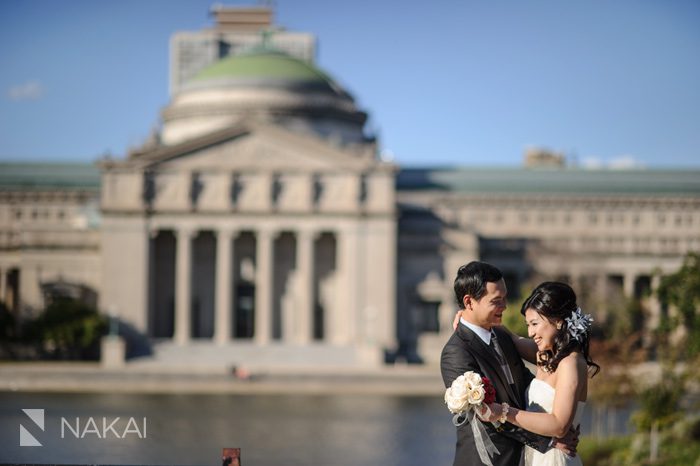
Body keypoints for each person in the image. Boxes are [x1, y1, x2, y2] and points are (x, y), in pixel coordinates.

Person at [441, 262, 577, 466]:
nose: (505, 306)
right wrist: (549, 439)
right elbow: (486, 415)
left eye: (504, 297)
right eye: (497, 301)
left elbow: (528, 386)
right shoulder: (456, 352)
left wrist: (560, 419)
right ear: (469, 302)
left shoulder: (502, 336)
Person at [480, 281, 600, 466]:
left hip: (556, 459)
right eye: (528, 325)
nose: (531, 332)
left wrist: (503, 411)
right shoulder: (547, 357)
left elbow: (559, 425)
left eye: (535, 323)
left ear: (558, 321)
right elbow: (511, 337)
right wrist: (467, 316)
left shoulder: (571, 363)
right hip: (536, 455)